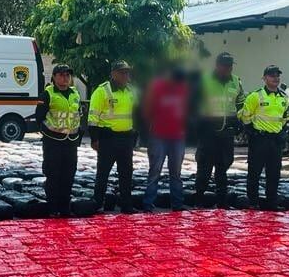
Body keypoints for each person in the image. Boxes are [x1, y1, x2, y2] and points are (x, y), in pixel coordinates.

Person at [238, 65, 289, 210]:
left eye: (277, 75)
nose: (275, 78)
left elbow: (284, 117)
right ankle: (253, 202)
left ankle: (271, 202)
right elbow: (245, 115)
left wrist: (282, 131)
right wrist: (251, 130)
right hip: (260, 139)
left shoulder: (284, 97)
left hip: (275, 140)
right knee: (254, 172)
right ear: (264, 78)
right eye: (271, 75)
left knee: (274, 173)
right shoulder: (255, 96)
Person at [194, 52, 244, 208]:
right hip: (208, 130)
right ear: (217, 65)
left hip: (226, 131)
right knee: (204, 167)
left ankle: (221, 202)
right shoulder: (204, 81)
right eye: (225, 65)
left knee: (223, 167)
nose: (228, 68)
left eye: (230, 66)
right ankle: (199, 199)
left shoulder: (236, 81)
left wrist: (239, 121)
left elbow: (241, 103)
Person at [89, 61, 139, 213]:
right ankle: (97, 203)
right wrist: (94, 139)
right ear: (113, 74)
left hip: (126, 138)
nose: (125, 75)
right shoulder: (102, 91)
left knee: (126, 173)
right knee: (103, 173)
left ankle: (126, 205)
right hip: (108, 139)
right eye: (122, 72)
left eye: (127, 72)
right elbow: (92, 118)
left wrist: (135, 134)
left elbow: (136, 113)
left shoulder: (131, 90)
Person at [35, 63, 82, 217]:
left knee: (69, 175)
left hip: (71, 141)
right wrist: (48, 131)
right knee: (53, 175)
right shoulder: (48, 94)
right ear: (54, 77)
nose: (65, 78)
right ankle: (52, 208)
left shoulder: (75, 93)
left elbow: (77, 115)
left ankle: (65, 207)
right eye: (61, 75)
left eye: (67, 75)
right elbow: (39, 117)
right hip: (53, 141)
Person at [141, 67, 191, 211]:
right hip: (159, 135)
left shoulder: (183, 88)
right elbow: (147, 109)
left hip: (177, 136)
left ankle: (177, 203)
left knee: (176, 172)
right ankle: (148, 203)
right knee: (155, 170)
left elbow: (186, 110)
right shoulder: (157, 87)